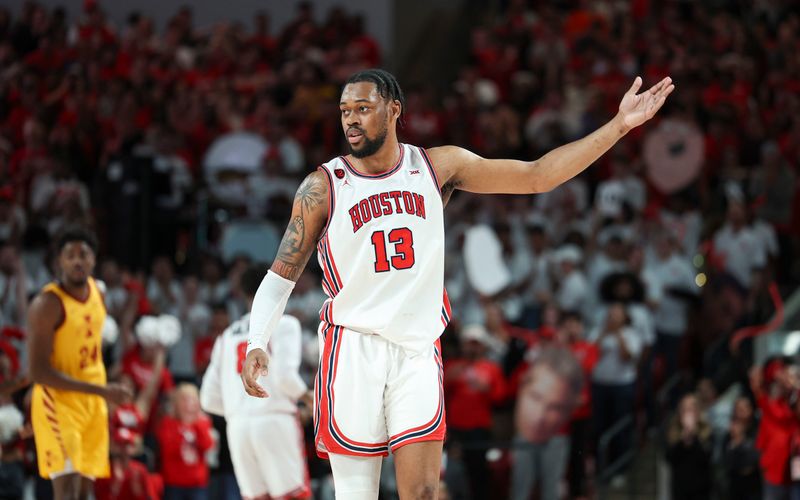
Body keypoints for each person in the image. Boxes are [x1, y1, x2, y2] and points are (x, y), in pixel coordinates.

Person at [241, 68, 674, 499]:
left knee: (426, 492)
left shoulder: (437, 166)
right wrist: (258, 340)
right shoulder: (322, 186)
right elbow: (280, 278)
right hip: (354, 348)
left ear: (394, 110)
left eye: (363, 108)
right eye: (344, 111)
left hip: (417, 349)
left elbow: (538, 175)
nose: (351, 119)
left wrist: (619, 127)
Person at [27, 227, 131, 500]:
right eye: (70, 255)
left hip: (92, 402)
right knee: (68, 490)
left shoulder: (98, 293)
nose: (77, 261)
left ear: (93, 260)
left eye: (83, 254)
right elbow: (37, 371)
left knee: (86, 491)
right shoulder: (47, 303)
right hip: (58, 403)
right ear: (59, 261)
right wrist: (102, 391)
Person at [200, 264, 312, 499]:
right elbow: (285, 377)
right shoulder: (286, 323)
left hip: (238, 427)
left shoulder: (226, 335)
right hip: (275, 420)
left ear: (243, 293)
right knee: (293, 495)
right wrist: (308, 398)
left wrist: (239, 408)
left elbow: (208, 399)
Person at [510, 346, 584, 500]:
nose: (540, 416)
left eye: (555, 407)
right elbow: (505, 391)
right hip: (524, 438)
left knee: (551, 489)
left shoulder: (573, 373)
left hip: (556, 439)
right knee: (520, 488)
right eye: (535, 397)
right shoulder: (527, 368)